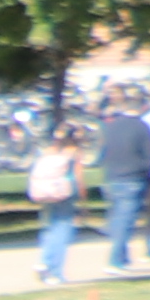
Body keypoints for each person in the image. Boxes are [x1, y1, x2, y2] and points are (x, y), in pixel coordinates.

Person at [97, 91, 150, 277]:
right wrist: (147, 175)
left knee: (116, 218)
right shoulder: (142, 127)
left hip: (112, 177)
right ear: (143, 108)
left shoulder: (112, 126)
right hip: (133, 178)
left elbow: (103, 152)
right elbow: (149, 156)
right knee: (125, 221)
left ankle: (122, 257)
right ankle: (114, 260)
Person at [31, 109, 90, 285]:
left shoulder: (49, 150)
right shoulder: (74, 152)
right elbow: (78, 178)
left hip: (45, 193)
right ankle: (54, 270)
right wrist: (84, 201)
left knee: (49, 227)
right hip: (65, 194)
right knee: (63, 231)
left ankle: (44, 260)